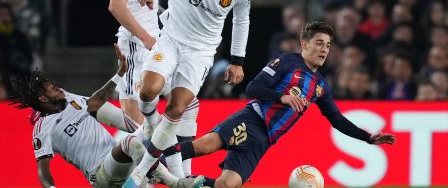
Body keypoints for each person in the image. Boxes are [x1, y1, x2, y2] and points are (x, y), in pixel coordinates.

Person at [162, 22, 396, 188]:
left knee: (226, 185)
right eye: (319, 43)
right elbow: (252, 88)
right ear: (305, 44)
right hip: (252, 119)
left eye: (328, 44)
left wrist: (367, 138)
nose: (324, 49)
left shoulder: (321, 85)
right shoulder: (287, 62)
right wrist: (281, 97)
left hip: (264, 140)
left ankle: (184, 182)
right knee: (204, 145)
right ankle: (152, 164)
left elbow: (336, 119)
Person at [126, 0, 251, 186]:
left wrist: (238, 61)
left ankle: (141, 171)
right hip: (171, 40)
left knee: (177, 108)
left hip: (201, 53)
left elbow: (241, 22)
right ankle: (152, 126)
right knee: (148, 90)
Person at [8, 44, 204, 188]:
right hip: (100, 176)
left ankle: (172, 176)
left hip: (119, 163)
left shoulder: (68, 98)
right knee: (131, 143)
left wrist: (120, 73)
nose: (57, 87)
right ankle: (175, 182)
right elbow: (43, 170)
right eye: (52, 88)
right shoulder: (42, 129)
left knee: (151, 128)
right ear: (43, 98)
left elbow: (95, 101)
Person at [108, 0, 199, 177]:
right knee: (144, 136)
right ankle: (96, 113)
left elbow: (139, 3)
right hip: (137, 49)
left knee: (188, 103)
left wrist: (163, 13)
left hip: (153, 47)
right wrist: (147, 38)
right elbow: (116, 5)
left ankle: (184, 176)